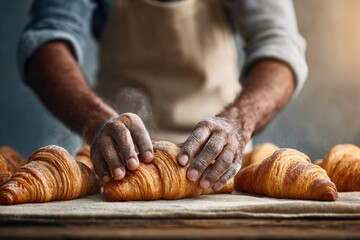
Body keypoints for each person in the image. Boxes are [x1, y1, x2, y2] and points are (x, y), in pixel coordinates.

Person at [18, 0, 307, 191]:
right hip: (119, 163)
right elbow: (47, 37)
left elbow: (280, 44)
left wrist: (237, 123)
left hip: (220, 164)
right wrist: (95, 121)